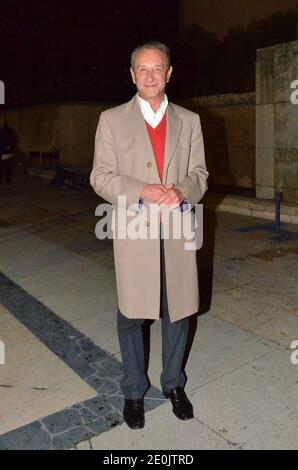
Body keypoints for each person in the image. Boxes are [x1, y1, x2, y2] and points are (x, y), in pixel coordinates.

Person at [90, 41, 208, 429]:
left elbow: (200, 175)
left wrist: (183, 192)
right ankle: (133, 391)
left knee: (179, 311)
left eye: (158, 68)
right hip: (134, 230)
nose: (151, 75)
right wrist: (141, 189)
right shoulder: (111, 119)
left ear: (169, 73)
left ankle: (173, 384)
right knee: (131, 315)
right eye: (143, 69)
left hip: (176, 228)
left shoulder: (189, 120)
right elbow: (100, 176)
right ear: (132, 74)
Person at [0, 117, 17, 184]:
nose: (0, 123)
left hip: (7, 152)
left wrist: (10, 145)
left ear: (4, 122)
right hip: (0, 152)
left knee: (8, 166)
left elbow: (14, 139)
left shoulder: (8, 130)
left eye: (2, 122)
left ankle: (8, 179)